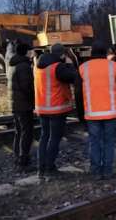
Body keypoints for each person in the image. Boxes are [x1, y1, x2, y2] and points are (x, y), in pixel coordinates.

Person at [75, 42, 116, 179]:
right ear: (105, 53)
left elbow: (78, 95)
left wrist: (80, 115)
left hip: (91, 114)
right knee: (109, 142)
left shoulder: (83, 68)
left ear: (91, 53)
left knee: (94, 142)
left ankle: (96, 172)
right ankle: (108, 171)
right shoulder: (114, 66)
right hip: (111, 113)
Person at [34, 43, 78, 178]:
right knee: (54, 138)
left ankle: (41, 169)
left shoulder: (38, 66)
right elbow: (74, 77)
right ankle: (50, 168)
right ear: (62, 54)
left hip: (42, 108)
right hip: (56, 108)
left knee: (44, 137)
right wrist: (70, 63)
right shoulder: (58, 67)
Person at [8, 42, 35, 170]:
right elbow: (27, 87)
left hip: (15, 103)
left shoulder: (14, 65)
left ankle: (17, 157)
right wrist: (33, 102)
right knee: (26, 132)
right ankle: (23, 160)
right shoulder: (24, 66)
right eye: (30, 51)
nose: (32, 53)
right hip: (24, 105)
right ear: (26, 52)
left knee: (19, 131)